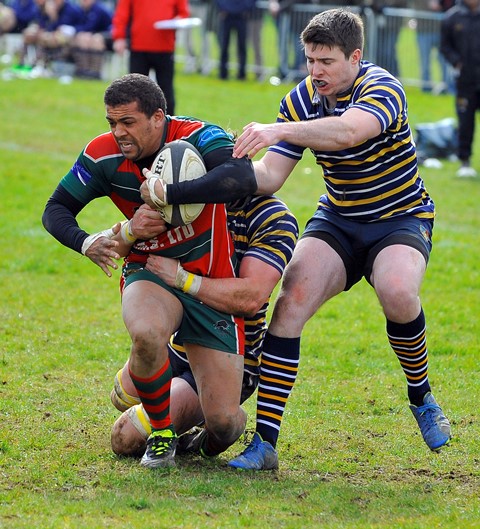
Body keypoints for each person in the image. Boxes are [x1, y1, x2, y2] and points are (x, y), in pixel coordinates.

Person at [145, 8, 452, 470]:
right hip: (339, 220)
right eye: (309, 60)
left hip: (399, 218)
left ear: (355, 56)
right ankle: (265, 443)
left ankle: (421, 395)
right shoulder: (302, 99)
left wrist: (278, 129)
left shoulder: (382, 87)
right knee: (290, 303)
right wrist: (183, 191)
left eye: (326, 61)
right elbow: (269, 177)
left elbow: (351, 131)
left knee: (397, 290)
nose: (315, 71)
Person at [42, 73, 257, 469]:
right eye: (111, 122)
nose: (118, 132)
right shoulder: (103, 155)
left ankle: (152, 383)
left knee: (224, 422)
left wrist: (168, 194)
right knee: (146, 332)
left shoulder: (200, 136)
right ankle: (161, 432)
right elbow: (55, 210)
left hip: (208, 280)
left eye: (128, 122)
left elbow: (241, 178)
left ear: (158, 117)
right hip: (150, 270)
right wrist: (87, 242)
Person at [109, 195, 299, 457]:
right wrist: (130, 229)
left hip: (232, 353)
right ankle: (182, 404)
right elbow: (119, 245)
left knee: (126, 437)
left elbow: (251, 298)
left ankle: (224, 420)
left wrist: (181, 279)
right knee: (121, 395)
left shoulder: (273, 217)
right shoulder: (189, 198)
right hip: (181, 345)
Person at [111, 0, 189, 115]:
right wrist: (119, 37)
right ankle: (134, 125)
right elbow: (122, 13)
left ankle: (169, 127)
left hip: (165, 47)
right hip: (139, 46)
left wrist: (178, 20)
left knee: (166, 92)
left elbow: (183, 13)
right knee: (135, 93)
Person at [441, 0, 480, 178]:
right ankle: (464, 160)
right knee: (465, 121)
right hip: (465, 81)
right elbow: (445, 47)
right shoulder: (452, 17)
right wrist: (457, 62)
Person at [70, 0, 112, 79]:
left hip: (107, 36)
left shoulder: (99, 9)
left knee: (95, 39)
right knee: (81, 38)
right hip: (90, 36)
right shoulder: (80, 10)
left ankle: (95, 72)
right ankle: (83, 70)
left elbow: (91, 26)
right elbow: (76, 25)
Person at [216, 0, 255, 80]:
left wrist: (246, 8)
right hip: (226, 15)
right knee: (224, 45)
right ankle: (223, 72)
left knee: (242, 46)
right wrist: (223, 8)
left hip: (242, 15)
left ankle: (242, 73)